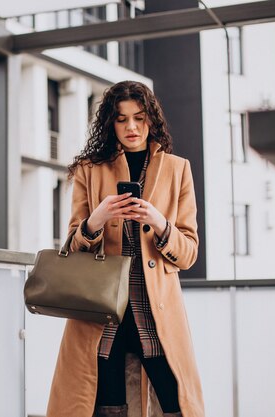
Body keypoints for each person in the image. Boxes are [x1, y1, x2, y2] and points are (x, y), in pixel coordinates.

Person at [46, 81, 204, 417]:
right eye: (121, 119)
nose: (131, 127)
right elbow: (72, 247)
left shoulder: (178, 169)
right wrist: (97, 220)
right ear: (110, 123)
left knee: (176, 405)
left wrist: (160, 223)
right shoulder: (90, 170)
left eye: (139, 117)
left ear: (152, 120)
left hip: (156, 315)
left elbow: (188, 253)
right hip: (103, 319)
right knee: (107, 408)